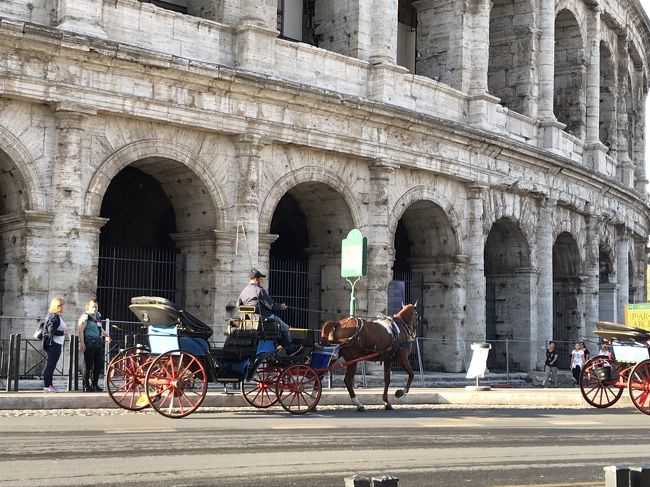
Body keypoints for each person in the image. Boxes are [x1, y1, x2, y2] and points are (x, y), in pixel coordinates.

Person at [237, 268, 302, 356]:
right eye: (261, 279)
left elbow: (238, 305)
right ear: (256, 279)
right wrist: (282, 306)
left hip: (250, 320)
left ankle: (279, 345)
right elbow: (272, 305)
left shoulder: (244, 291)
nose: (262, 280)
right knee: (285, 327)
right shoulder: (259, 291)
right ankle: (290, 349)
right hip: (264, 319)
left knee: (278, 326)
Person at [78, 299, 111, 392]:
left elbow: (100, 328)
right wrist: (82, 343)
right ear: (88, 307)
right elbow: (80, 330)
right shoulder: (85, 316)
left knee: (98, 365)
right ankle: (86, 385)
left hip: (98, 342)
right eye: (93, 306)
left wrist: (107, 335)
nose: (95, 308)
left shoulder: (97, 315)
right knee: (88, 365)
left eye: (96, 306)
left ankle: (95, 384)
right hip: (89, 342)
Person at [42, 297, 69, 393]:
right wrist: (63, 333)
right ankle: (47, 385)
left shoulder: (55, 316)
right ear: (57, 306)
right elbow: (51, 331)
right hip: (54, 344)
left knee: (51, 365)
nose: (63, 307)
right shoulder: (54, 317)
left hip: (55, 343)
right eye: (62, 305)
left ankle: (49, 385)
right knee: (51, 365)